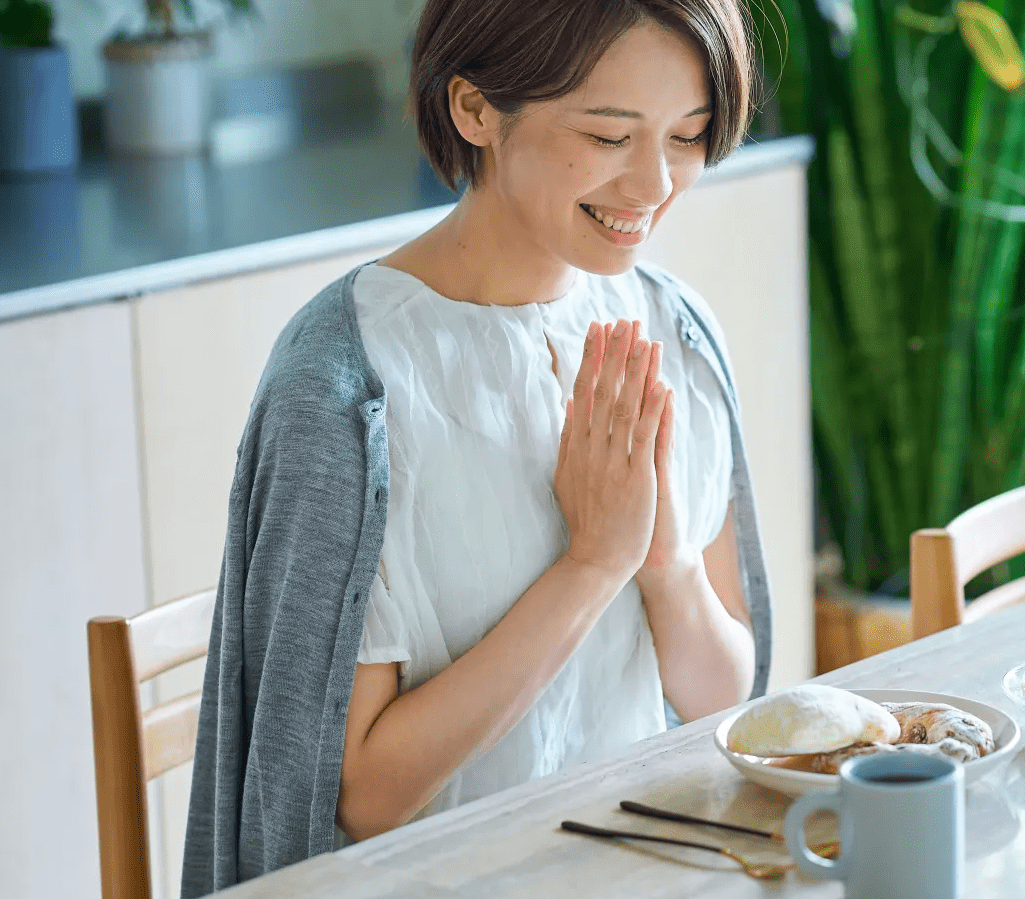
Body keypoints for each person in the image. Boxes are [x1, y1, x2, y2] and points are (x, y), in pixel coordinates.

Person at [179, 1, 775, 895]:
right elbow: (365, 795)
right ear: (475, 110)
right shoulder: (352, 385)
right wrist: (590, 565)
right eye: (610, 136)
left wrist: (662, 562)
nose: (653, 184)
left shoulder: (672, 332)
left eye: (686, 136)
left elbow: (729, 694)